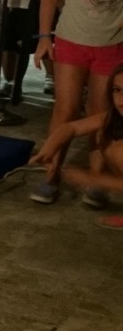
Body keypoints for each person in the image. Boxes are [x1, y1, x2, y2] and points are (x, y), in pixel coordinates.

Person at [31, 0, 123, 205]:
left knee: (101, 113)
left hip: (111, 46)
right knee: (65, 109)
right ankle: (51, 174)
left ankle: (96, 181)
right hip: (72, 42)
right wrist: (45, 37)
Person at [31, 62, 123, 229]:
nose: (121, 99)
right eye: (117, 90)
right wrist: (48, 150)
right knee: (105, 135)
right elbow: (71, 128)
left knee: (118, 151)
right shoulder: (113, 116)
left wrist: (93, 179)